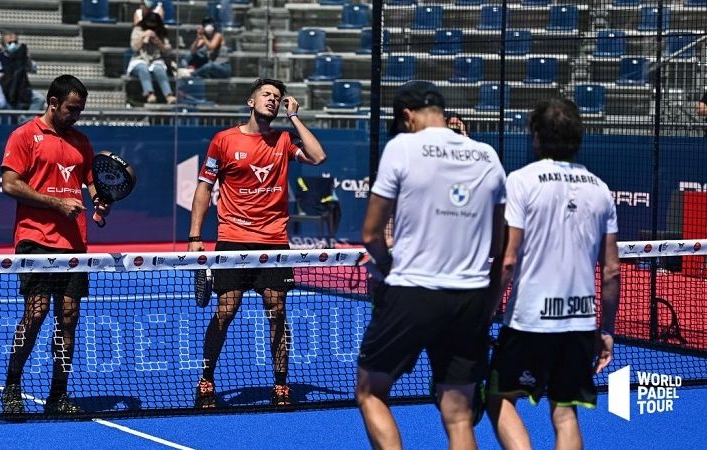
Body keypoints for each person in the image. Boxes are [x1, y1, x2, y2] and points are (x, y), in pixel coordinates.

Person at [356, 80, 507, 449]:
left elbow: (371, 234)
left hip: (412, 291)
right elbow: (500, 249)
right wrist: (487, 302)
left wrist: (389, 267)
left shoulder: (402, 147)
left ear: (407, 116)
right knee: (458, 416)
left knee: (370, 392)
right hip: (470, 297)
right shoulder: (487, 155)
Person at [486, 97, 620, 450]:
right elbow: (611, 270)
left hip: (530, 320)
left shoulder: (520, 181)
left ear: (536, 137)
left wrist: (483, 313)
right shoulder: (601, 189)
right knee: (565, 413)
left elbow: (508, 259)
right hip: (579, 322)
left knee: (498, 397)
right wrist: (605, 329)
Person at [188, 78, 327, 408]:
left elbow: (319, 157)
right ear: (251, 102)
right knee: (226, 310)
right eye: (266, 95)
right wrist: (195, 236)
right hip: (233, 241)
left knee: (277, 311)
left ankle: (280, 383)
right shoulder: (223, 141)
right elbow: (205, 188)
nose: (273, 100)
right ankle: (206, 377)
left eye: (277, 98)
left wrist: (294, 117)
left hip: (274, 243)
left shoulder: (283, 140)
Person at [0, 74, 111, 415]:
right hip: (35, 239)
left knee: (69, 316)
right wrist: (55, 203)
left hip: (74, 243)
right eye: (71, 109)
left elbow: (90, 180)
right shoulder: (24, 136)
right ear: (52, 103)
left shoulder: (81, 141)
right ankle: (13, 385)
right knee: (36, 313)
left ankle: (58, 394)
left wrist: (98, 201)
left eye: (80, 111)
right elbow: (10, 184)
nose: (75, 116)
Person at [128, 12, 175, 105]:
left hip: (155, 59)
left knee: (160, 69)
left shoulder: (160, 32)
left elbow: (166, 50)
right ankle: (150, 94)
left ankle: (168, 95)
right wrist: (143, 37)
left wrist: (157, 41)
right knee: (143, 68)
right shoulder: (137, 30)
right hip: (139, 59)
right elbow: (134, 48)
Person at [0, 31, 45, 110]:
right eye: (10, 43)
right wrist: (5, 74)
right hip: (7, 89)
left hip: (22, 88)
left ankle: (27, 120)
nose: (13, 44)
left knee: (39, 99)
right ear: (4, 45)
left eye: (15, 42)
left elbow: (33, 69)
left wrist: (28, 59)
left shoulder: (21, 56)